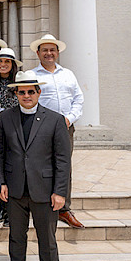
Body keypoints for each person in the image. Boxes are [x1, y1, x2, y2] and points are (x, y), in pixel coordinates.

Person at [0, 70, 71, 261]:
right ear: (15, 93)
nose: (26, 95)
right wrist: (1, 182)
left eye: (31, 91)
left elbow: (63, 160)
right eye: (22, 91)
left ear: (39, 92)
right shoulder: (5, 118)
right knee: (16, 237)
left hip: (45, 191)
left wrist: (60, 192)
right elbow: (0, 154)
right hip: (16, 190)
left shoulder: (55, 119)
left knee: (47, 240)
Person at [31, 34, 85, 229]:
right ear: (38, 53)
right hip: (41, 129)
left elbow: (78, 99)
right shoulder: (33, 75)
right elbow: (29, 101)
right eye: (44, 50)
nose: (49, 53)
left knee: (64, 166)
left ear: (57, 52)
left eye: (52, 50)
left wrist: (69, 118)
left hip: (65, 127)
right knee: (42, 166)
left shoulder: (68, 74)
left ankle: (64, 208)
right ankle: (43, 204)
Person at [0, 47, 22, 227]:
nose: (3, 65)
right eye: (0, 61)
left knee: (10, 169)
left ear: (12, 65)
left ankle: (10, 210)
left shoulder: (18, 84)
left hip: (12, 129)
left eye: (7, 62)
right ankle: (1, 207)